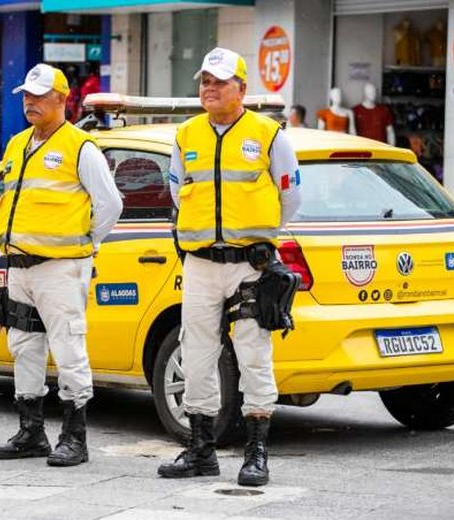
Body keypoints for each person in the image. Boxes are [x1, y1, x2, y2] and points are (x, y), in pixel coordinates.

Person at [157, 47, 301, 486]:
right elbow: (178, 191)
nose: (210, 89)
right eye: (205, 81)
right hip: (201, 263)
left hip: (250, 265)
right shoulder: (186, 135)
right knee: (196, 354)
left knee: (253, 352)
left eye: (219, 82)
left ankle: (256, 453)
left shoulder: (269, 135)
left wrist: (259, 239)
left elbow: (290, 198)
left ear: (241, 88)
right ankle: (201, 450)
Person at [0, 63, 122, 467]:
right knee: (23, 347)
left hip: (61, 268)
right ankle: (31, 432)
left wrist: (84, 243)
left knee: (68, 349)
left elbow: (111, 205)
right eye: (26, 95)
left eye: (39, 95)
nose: (30, 102)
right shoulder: (17, 145)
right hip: (20, 265)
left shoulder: (81, 147)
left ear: (62, 99)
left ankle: (74, 436)